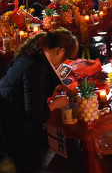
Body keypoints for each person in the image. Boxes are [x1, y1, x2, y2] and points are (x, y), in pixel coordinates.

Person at [0, 29, 77, 173]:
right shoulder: (35, 68)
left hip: (7, 112)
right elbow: (34, 113)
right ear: (60, 51)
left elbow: (48, 72)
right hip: (14, 127)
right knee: (28, 165)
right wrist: (56, 104)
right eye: (63, 58)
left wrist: (65, 88)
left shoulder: (33, 53)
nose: (60, 63)